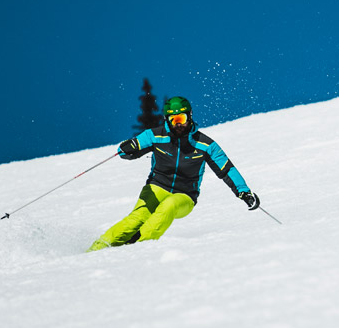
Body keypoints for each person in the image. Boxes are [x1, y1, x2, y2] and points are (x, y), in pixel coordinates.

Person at [88, 96, 259, 251]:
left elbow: (226, 169)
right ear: (166, 120)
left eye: (181, 118)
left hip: (185, 196)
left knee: (169, 206)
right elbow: (126, 152)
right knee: (137, 218)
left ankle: (136, 246)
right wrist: (127, 147)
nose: (178, 124)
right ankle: (96, 249)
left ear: (190, 116)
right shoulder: (155, 136)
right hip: (156, 188)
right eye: (173, 119)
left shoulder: (205, 144)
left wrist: (243, 192)